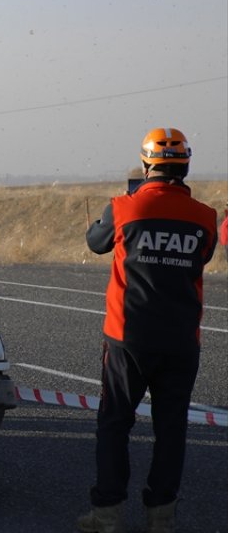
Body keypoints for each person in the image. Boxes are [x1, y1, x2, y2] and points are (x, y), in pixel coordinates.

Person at [77, 128, 217, 533]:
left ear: (145, 165)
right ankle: (162, 516)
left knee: (115, 422)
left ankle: (106, 514)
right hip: (181, 339)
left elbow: (96, 243)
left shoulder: (122, 207)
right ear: (185, 165)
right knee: (171, 429)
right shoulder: (206, 216)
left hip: (128, 338)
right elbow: (202, 256)